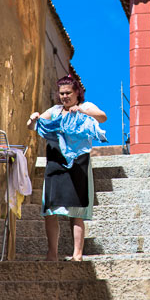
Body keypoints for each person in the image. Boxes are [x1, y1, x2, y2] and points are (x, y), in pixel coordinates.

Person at [27, 75, 107, 262]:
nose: (64, 96)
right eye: (62, 93)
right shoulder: (54, 111)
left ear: (77, 92)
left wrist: (83, 112)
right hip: (55, 162)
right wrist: (33, 119)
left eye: (68, 93)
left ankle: (77, 254)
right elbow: (33, 127)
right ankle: (52, 254)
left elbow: (103, 117)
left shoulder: (86, 107)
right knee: (50, 210)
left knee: (76, 210)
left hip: (79, 163)